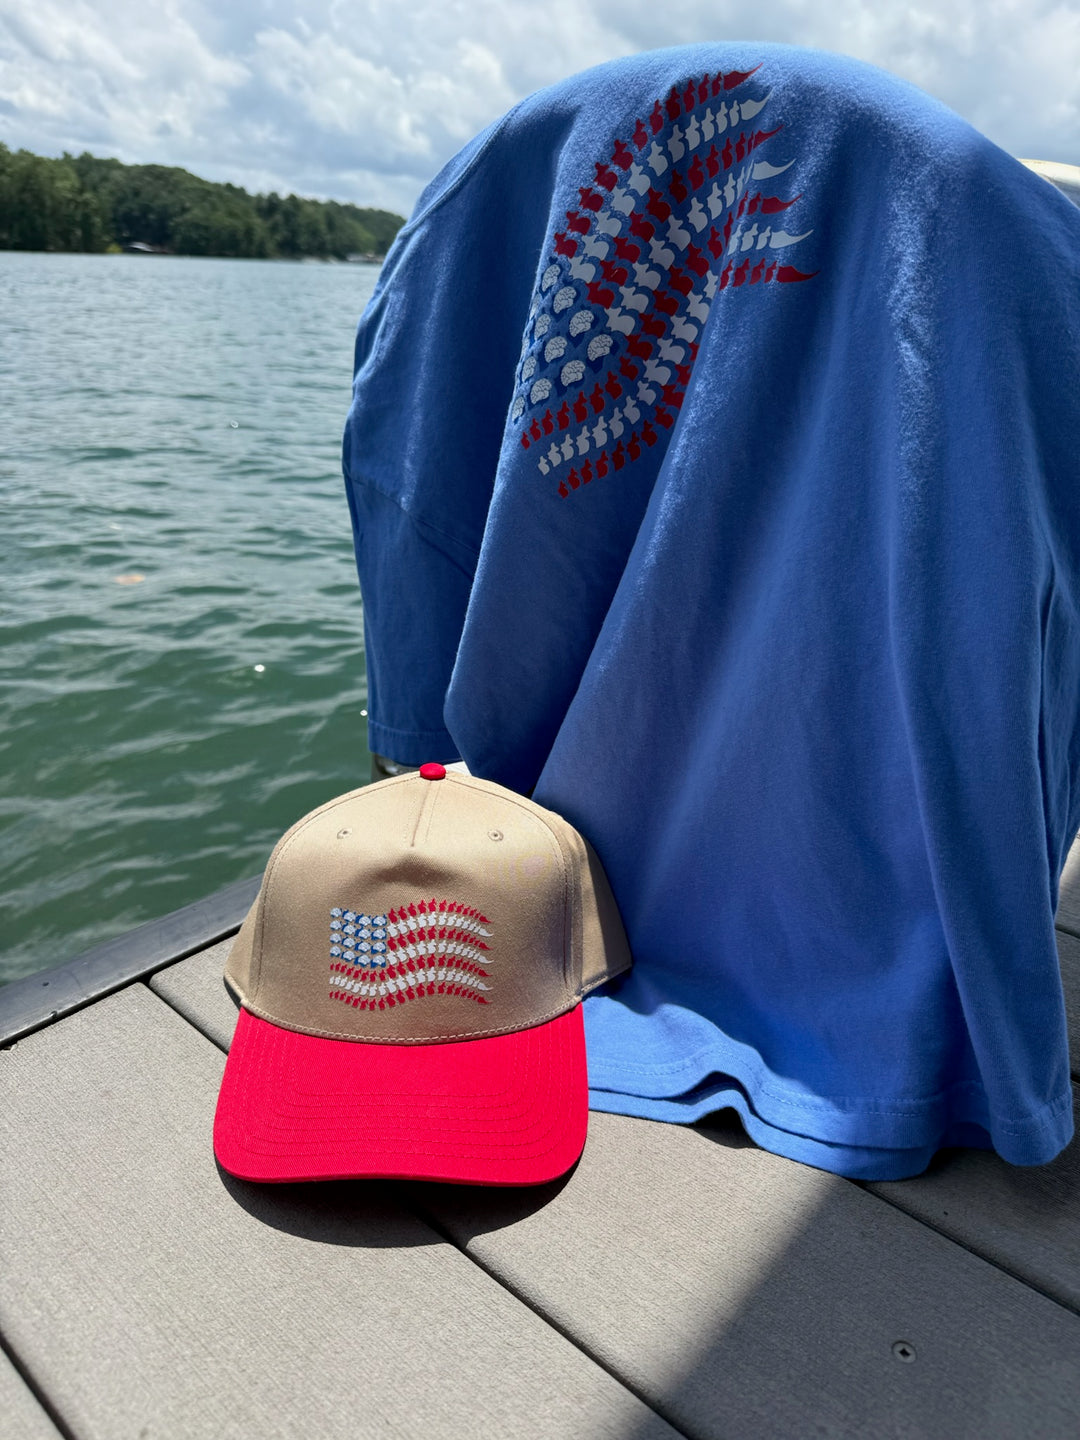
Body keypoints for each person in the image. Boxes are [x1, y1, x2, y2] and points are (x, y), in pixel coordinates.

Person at [342, 44, 1080, 1180]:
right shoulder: (1019, 253)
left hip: (525, 893)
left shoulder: (477, 197)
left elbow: (405, 477)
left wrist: (414, 746)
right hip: (900, 948)